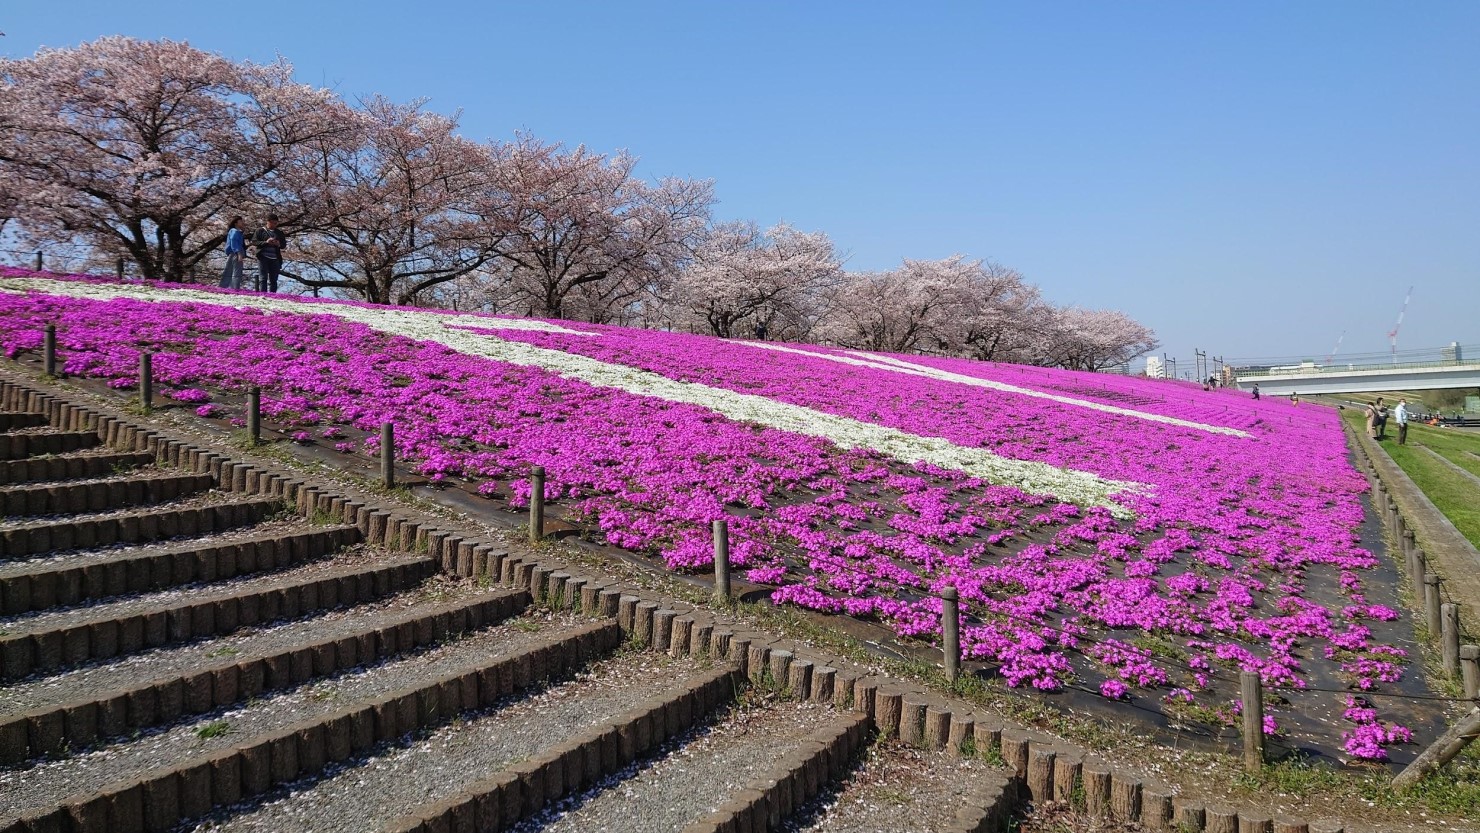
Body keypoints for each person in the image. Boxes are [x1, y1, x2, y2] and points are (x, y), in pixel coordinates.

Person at [251, 214, 288, 293]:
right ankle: (263, 295)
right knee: (263, 278)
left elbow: (283, 245)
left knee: (274, 279)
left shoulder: (279, 233)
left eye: (275, 223)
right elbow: (254, 241)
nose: (274, 225)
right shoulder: (260, 231)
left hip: (275, 258)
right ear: (267, 222)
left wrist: (278, 244)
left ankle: (272, 296)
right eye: (272, 223)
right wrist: (266, 242)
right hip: (263, 257)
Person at [218, 216, 245, 289]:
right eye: (240, 221)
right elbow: (234, 242)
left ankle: (223, 287)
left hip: (231, 253)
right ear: (236, 223)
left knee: (228, 271)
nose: (242, 222)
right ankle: (235, 289)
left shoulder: (232, 231)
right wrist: (239, 253)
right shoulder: (235, 231)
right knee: (236, 272)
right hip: (236, 253)